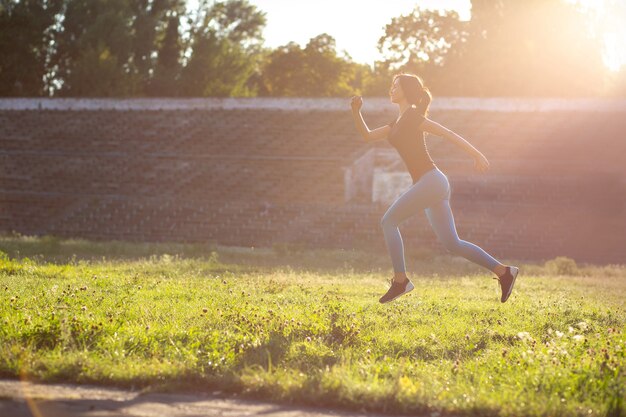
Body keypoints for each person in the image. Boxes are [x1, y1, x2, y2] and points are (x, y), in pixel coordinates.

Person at [350, 73, 519, 304]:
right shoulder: (395, 124)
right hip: (430, 184)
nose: (391, 89)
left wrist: (477, 154)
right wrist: (356, 111)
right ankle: (504, 272)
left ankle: (400, 281)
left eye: (396, 86)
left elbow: (447, 133)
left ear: (407, 91)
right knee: (453, 243)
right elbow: (368, 136)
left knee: (388, 222)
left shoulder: (413, 117)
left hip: (432, 181)